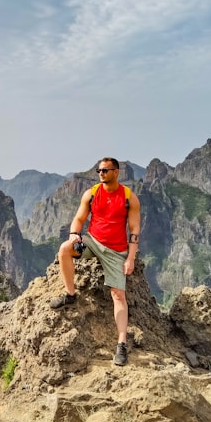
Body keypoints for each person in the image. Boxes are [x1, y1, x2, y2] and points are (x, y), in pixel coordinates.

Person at [50, 157, 141, 366]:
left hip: (115, 250)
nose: (101, 174)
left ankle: (121, 344)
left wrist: (130, 258)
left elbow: (135, 230)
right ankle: (71, 295)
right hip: (92, 242)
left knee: (118, 295)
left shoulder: (129, 198)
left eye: (105, 170)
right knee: (64, 249)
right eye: (99, 170)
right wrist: (74, 234)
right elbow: (79, 219)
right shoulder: (91, 194)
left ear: (116, 172)